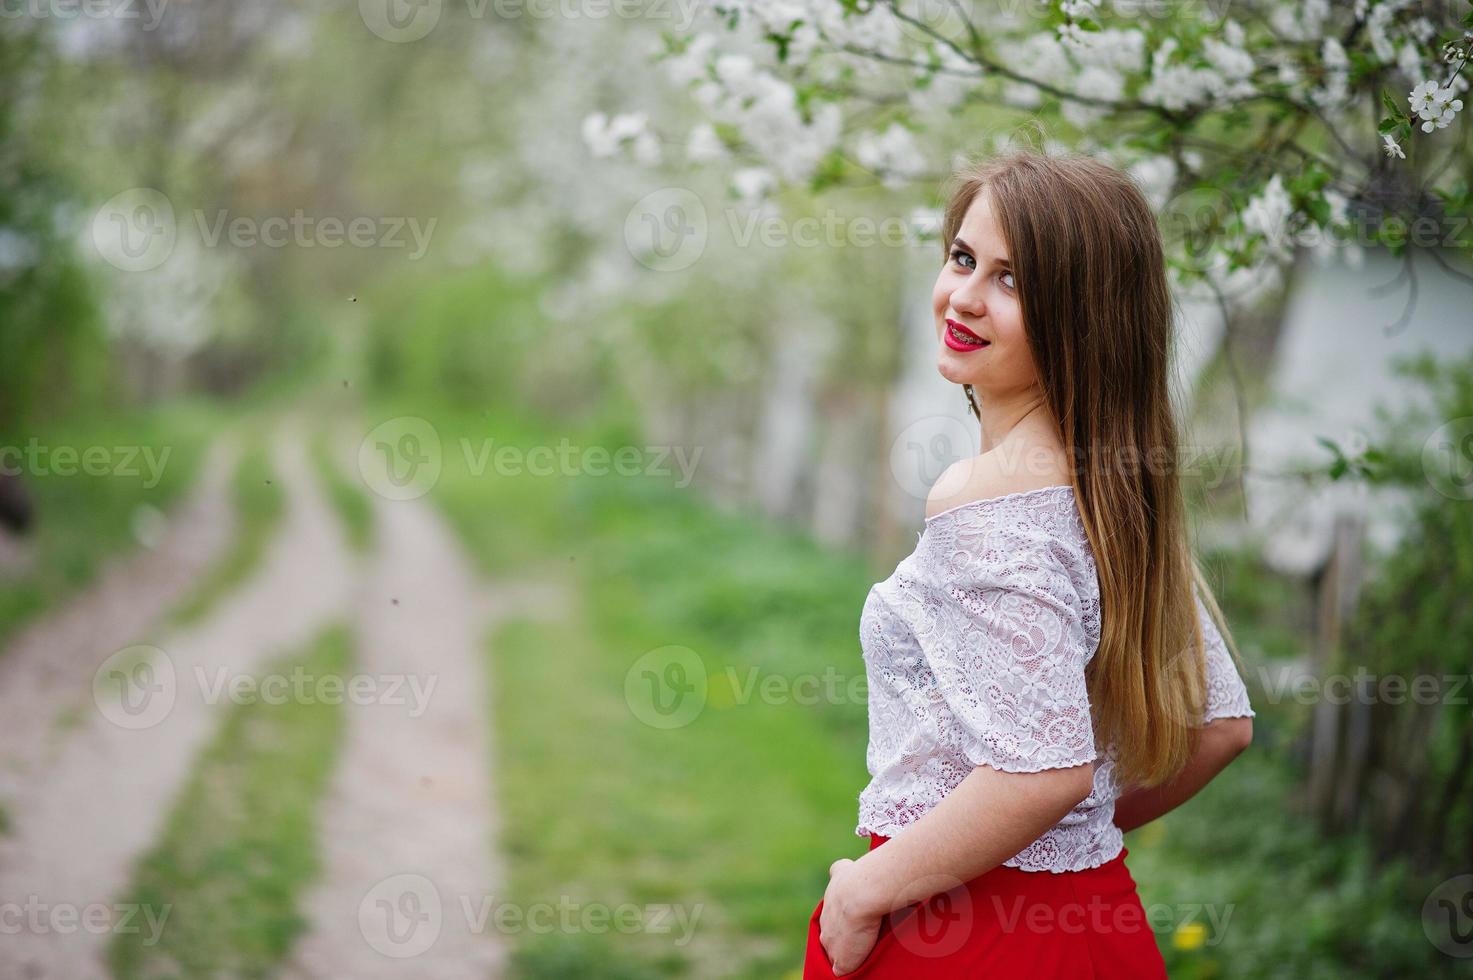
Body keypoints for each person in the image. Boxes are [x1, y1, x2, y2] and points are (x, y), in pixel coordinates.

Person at [804, 150, 1256, 978]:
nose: (964, 297)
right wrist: (1076, 839)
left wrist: (865, 891)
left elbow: (1040, 775)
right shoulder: (1116, 494)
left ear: (1084, 317)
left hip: (965, 933)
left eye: (1014, 282)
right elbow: (1218, 727)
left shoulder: (986, 498)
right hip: (1096, 924)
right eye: (963, 258)